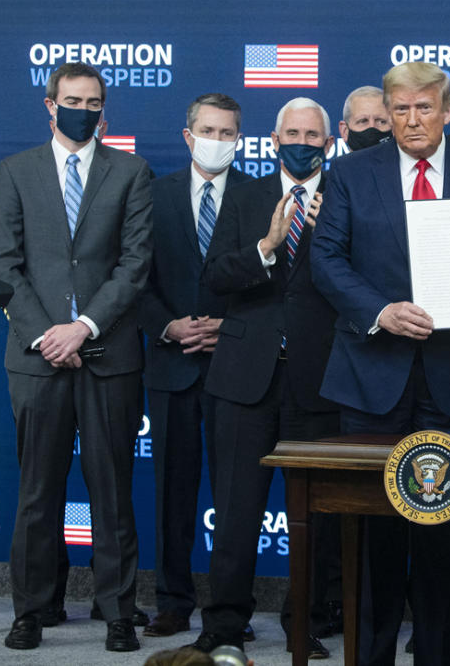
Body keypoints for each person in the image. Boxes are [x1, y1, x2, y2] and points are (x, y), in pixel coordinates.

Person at [311, 61, 450, 666]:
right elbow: (327, 261)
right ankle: (370, 658)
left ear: (447, 111)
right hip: (372, 378)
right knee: (374, 536)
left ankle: (440, 656)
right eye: (400, 110)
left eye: (424, 108)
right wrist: (380, 311)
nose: (411, 121)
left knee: (449, 537)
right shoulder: (350, 172)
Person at [0, 62, 153, 653]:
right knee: (37, 491)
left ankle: (117, 611)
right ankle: (32, 610)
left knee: (111, 488)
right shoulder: (15, 171)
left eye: (93, 100)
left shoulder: (132, 172)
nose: (83, 108)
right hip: (36, 359)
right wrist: (48, 336)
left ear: (104, 109)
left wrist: (82, 328)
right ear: (50, 104)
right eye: (72, 99)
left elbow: (134, 266)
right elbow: (4, 264)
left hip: (107, 354)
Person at [186, 97, 338, 660]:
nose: (301, 141)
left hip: (318, 380)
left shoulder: (343, 195)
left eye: (312, 134)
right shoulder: (244, 193)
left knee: (317, 520)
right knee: (235, 510)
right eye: (291, 132)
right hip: (243, 378)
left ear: (328, 143)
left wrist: (329, 243)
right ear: (273, 141)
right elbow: (215, 275)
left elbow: (365, 277)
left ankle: (307, 623)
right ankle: (224, 624)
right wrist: (267, 247)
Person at [139, 93, 254, 639]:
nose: (217, 139)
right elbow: (132, 275)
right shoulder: (152, 193)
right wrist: (170, 326)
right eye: (208, 129)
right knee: (172, 491)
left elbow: (270, 278)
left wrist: (224, 327)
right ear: (188, 135)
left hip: (238, 367)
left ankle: (233, 609)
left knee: (237, 497)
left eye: (227, 132)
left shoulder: (258, 195)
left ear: (239, 138)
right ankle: (172, 601)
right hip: (171, 362)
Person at [338, 85, 392, 151]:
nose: (372, 127)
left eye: (381, 122)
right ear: (345, 131)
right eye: (363, 121)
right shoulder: (336, 162)